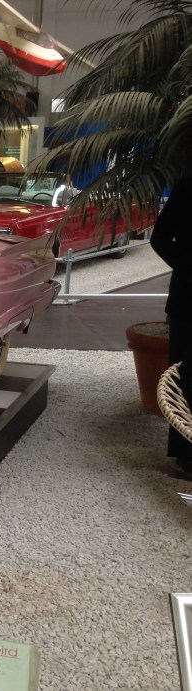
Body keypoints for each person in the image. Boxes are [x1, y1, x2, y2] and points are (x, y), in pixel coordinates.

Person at [150, 177, 192, 472]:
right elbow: (159, 237)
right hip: (188, 302)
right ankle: (185, 455)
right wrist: (188, 265)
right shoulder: (188, 185)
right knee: (185, 375)